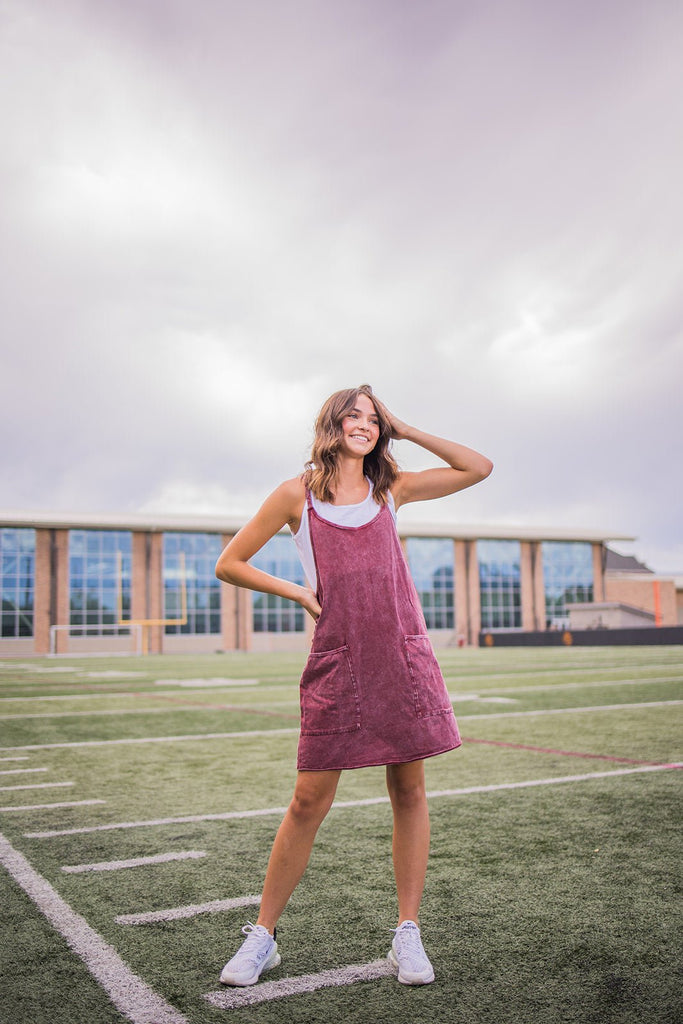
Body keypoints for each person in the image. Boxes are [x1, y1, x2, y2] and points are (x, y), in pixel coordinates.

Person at [214, 384, 492, 987]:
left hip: (400, 659)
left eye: (373, 419)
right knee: (308, 801)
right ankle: (263, 936)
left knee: (409, 791)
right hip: (337, 663)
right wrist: (298, 592)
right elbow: (229, 562)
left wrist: (405, 427)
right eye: (354, 416)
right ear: (332, 424)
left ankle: (407, 934)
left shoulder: (394, 489)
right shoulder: (297, 494)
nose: (364, 425)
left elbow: (479, 467)